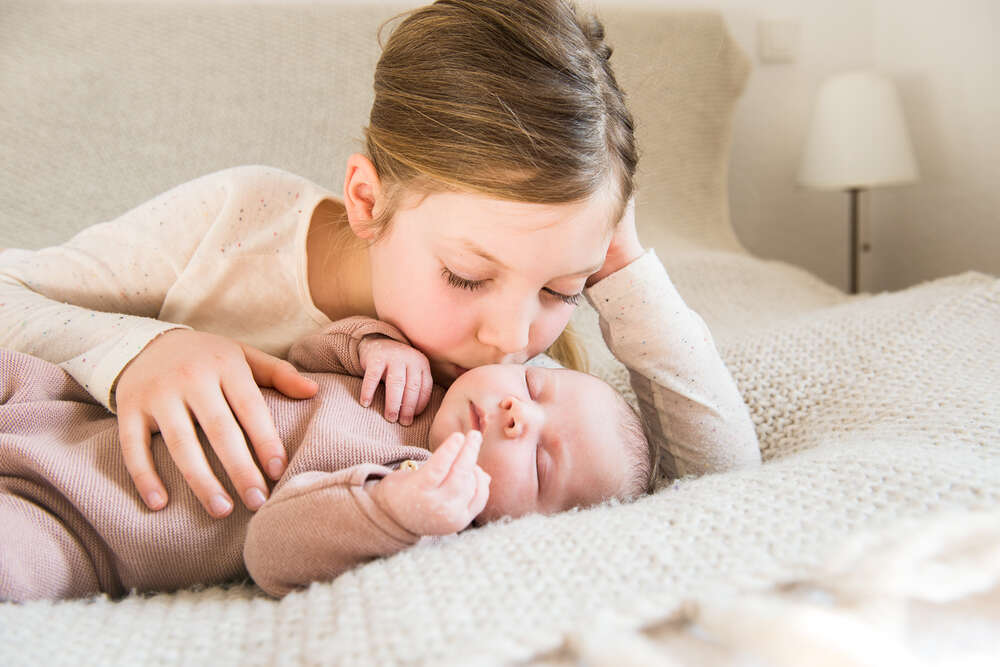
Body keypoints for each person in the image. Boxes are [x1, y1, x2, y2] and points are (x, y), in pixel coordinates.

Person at [0, 0, 643, 520]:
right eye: (465, 276)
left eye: (563, 291)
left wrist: (626, 266)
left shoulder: (515, 401)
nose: (510, 340)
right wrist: (141, 350)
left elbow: (692, 474)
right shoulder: (236, 224)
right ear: (366, 200)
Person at [0, 238, 760, 601]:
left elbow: (272, 549)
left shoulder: (411, 503)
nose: (515, 414)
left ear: (525, 530)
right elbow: (304, 356)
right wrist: (373, 344)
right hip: (66, 402)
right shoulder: (418, 379)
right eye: (536, 388)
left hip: (79, 523)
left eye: (538, 460)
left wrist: (395, 512)